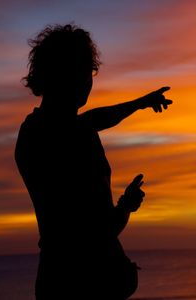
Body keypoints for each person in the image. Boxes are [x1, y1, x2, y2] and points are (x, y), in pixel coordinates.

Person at [14, 24, 172, 300]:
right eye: (86, 71)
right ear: (69, 75)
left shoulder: (33, 132)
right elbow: (97, 232)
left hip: (54, 279)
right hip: (86, 286)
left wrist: (139, 103)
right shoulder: (73, 136)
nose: (89, 80)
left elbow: (91, 120)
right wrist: (126, 205)